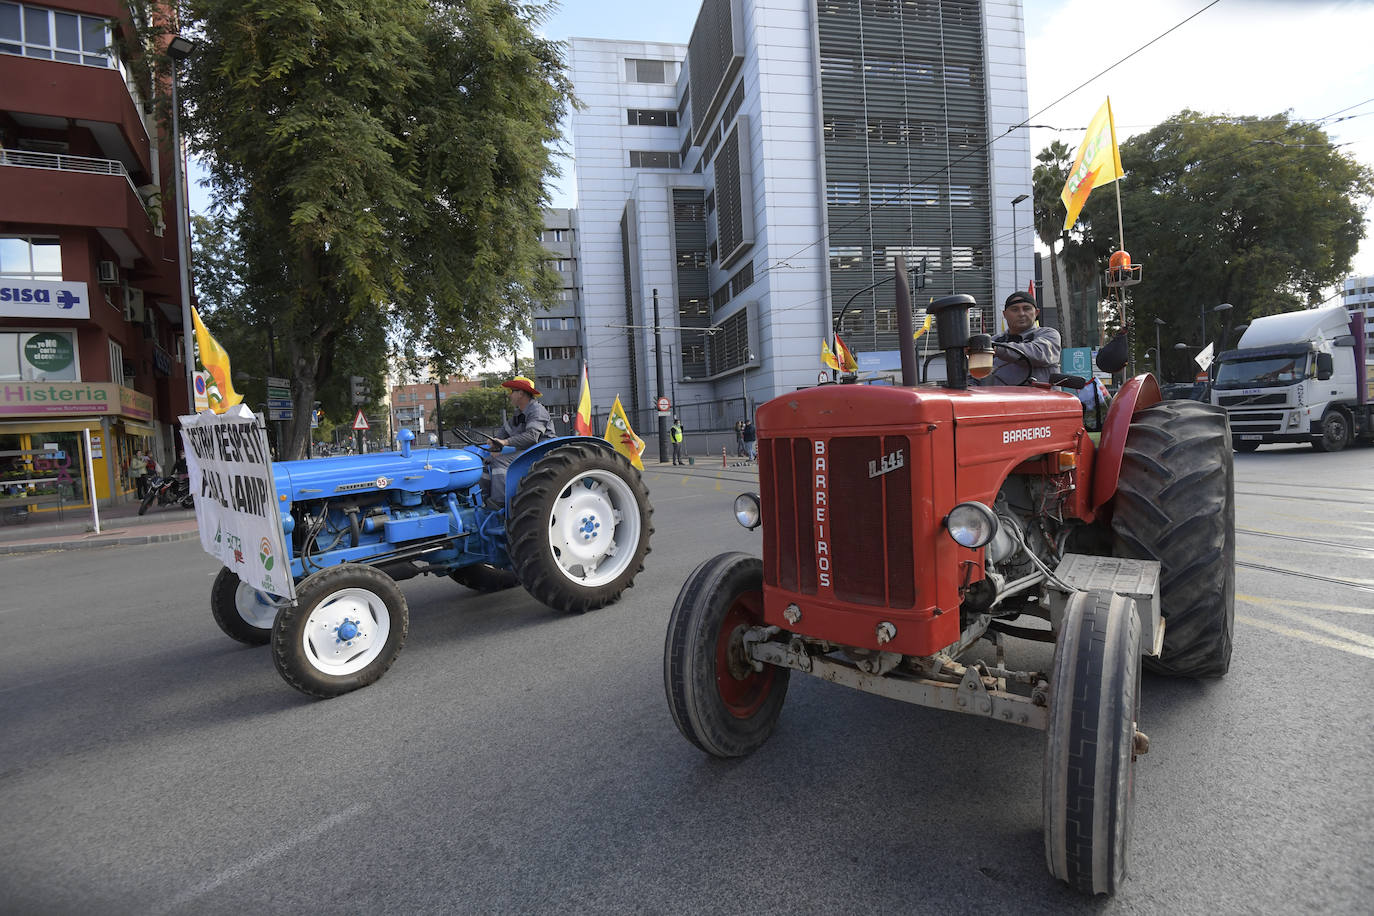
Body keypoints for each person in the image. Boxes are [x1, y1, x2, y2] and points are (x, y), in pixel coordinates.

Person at [483, 376, 553, 508]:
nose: (510, 395)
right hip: (526, 451)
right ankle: (482, 500)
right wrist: (494, 443)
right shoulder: (518, 414)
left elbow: (532, 437)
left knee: (500, 461)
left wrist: (504, 442)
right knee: (486, 461)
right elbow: (504, 433)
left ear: (521, 393)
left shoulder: (537, 411)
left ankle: (501, 505)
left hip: (542, 453)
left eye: (512, 391)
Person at [982, 291, 1062, 386]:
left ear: (1036, 312)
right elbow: (976, 374)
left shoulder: (1049, 334)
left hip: (1039, 399)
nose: (1021, 314)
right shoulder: (994, 341)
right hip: (999, 399)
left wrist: (996, 349)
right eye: (1015, 309)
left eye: (1027, 308)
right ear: (1004, 314)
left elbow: (1038, 354)